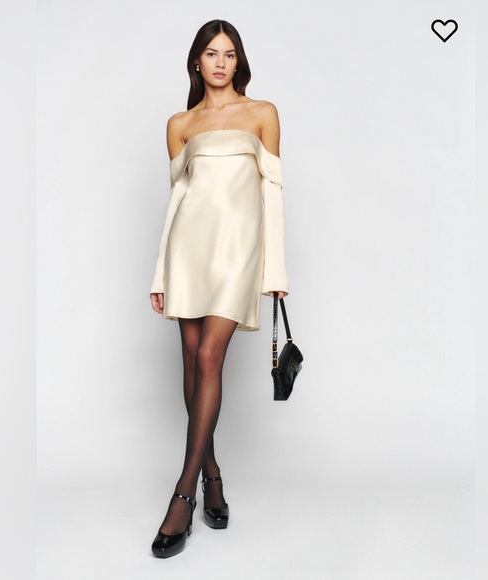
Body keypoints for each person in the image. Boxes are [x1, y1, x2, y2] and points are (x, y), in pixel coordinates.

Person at [149, 19, 289, 559]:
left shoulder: (262, 113)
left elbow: (271, 193)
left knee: (210, 356)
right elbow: (178, 202)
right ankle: (212, 475)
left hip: (237, 250)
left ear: (239, 61)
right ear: (197, 61)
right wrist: (160, 273)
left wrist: (275, 272)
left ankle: (182, 494)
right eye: (212, 53)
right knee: (191, 361)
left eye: (229, 54)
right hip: (188, 248)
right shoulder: (180, 124)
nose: (221, 63)